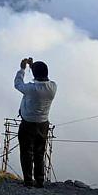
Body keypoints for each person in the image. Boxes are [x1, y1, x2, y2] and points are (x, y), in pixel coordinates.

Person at [14, 58, 57, 188]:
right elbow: (42, 78)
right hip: (43, 123)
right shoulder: (53, 87)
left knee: (26, 152)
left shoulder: (32, 89)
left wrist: (22, 69)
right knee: (39, 152)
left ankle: (28, 181)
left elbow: (18, 84)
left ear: (35, 74)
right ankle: (39, 180)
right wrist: (33, 67)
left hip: (28, 124)